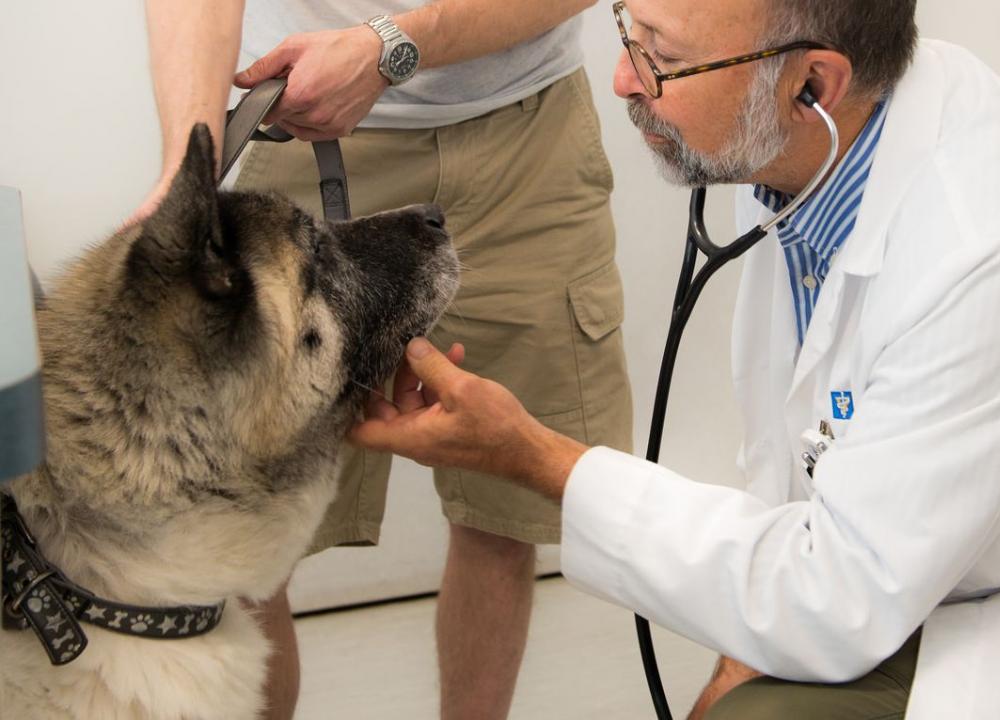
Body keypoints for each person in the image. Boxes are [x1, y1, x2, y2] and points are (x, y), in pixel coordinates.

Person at [349, 0, 1000, 717]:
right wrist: (735, 656)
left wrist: (532, 456)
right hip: (941, 581)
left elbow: (838, 599)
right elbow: (797, 489)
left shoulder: (995, 243)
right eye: (629, 31)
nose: (625, 84)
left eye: (661, 59)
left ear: (813, 88)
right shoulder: (814, 163)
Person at [135, 1, 632, 718]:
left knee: (502, 501)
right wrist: (188, 165)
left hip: (527, 139)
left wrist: (390, 45)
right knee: (242, 528)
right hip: (300, 132)